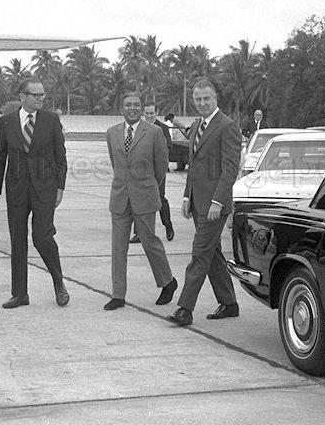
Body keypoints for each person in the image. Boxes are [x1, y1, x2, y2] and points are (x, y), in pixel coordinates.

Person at [167, 79, 241, 326]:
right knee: (212, 254)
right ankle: (229, 303)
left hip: (214, 206)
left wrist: (218, 202)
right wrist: (187, 196)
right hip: (198, 203)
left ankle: (184, 310)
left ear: (215, 97)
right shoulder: (197, 125)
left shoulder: (227, 126)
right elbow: (194, 166)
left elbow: (230, 169)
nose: (201, 103)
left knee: (200, 254)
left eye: (206, 98)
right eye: (197, 99)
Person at [0, 81, 69, 309]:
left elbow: (61, 158)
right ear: (23, 96)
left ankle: (58, 283)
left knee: (42, 237)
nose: (41, 99)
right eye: (36, 95)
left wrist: (60, 188)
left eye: (43, 95)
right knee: (17, 240)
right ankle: (20, 294)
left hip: (45, 188)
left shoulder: (51, 120)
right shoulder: (6, 121)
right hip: (16, 189)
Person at [103, 92, 178, 311]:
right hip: (119, 198)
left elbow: (161, 166)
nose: (132, 108)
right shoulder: (111, 133)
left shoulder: (154, 132)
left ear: (142, 108)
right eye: (128, 105)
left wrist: (146, 185)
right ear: (121, 108)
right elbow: (116, 163)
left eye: (136, 105)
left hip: (144, 196)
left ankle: (167, 282)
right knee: (118, 247)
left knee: (149, 241)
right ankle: (118, 295)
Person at [129, 103, 174, 242]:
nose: (149, 116)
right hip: (141, 171)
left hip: (158, 171)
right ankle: (139, 233)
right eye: (147, 113)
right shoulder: (137, 127)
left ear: (156, 113)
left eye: (151, 113)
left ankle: (168, 226)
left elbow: (168, 148)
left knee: (160, 198)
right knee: (139, 200)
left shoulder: (163, 128)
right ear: (143, 113)